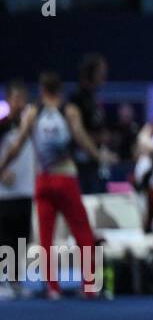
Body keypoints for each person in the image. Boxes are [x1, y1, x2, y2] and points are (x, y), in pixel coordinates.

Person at [0, 72, 103, 299]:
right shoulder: (70, 111)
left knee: (46, 237)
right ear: (61, 90)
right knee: (82, 231)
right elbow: (82, 139)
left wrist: (3, 165)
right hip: (65, 179)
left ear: (41, 90)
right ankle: (89, 285)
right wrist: (99, 156)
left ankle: (52, 287)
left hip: (43, 181)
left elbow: (17, 145)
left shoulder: (33, 113)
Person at [0, 80, 35, 300]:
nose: (20, 103)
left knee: (22, 239)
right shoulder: (2, 126)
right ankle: (2, 279)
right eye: (16, 99)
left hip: (25, 190)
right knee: (5, 239)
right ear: (9, 100)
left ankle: (15, 281)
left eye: (23, 98)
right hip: (5, 194)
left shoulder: (29, 127)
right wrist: (2, 172)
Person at [68, 53, 113, 195]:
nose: (104, 76)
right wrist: (98, 144)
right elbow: (76, 133)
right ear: (91, 73)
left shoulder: (94, 98)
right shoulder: (77, 99)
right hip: (82, 165)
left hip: (96, 164)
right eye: (101, 72)